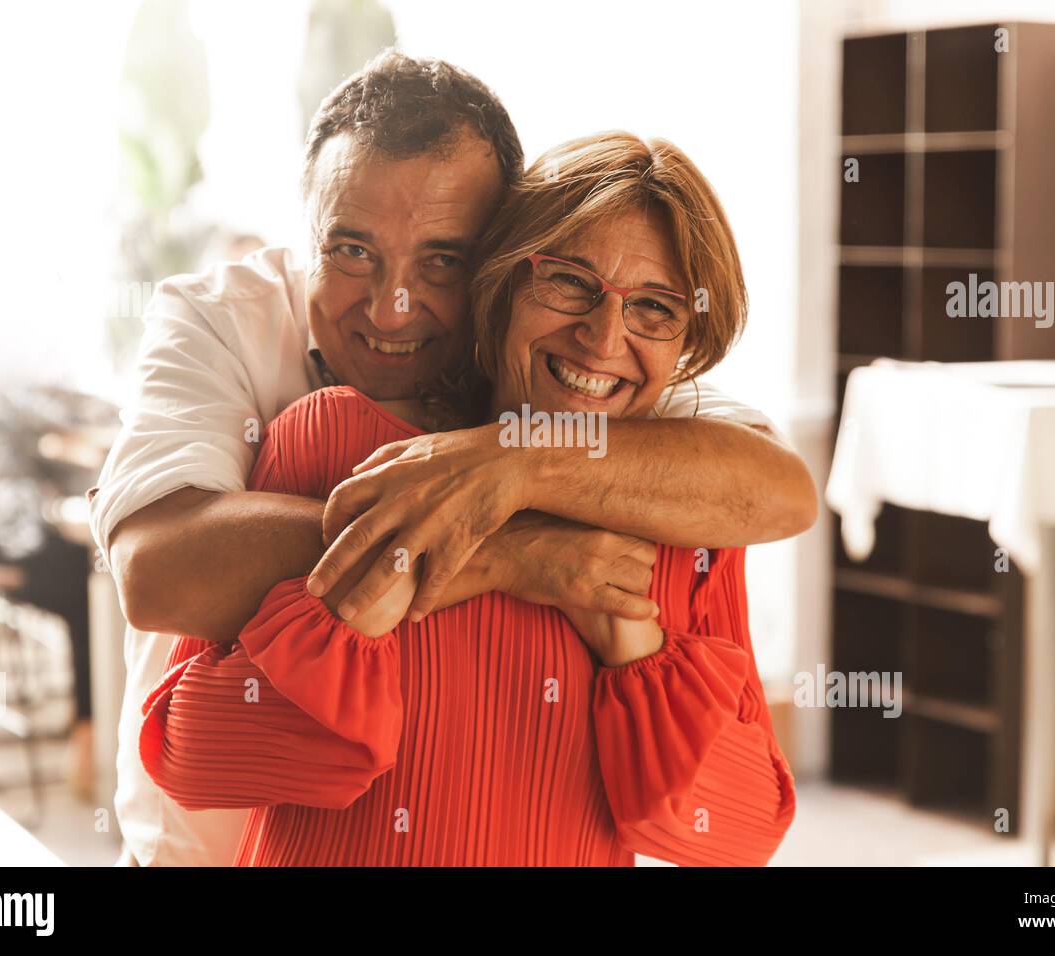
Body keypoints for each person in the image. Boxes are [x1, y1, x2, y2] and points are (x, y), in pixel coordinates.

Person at [89, 51, 815, 866]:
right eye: (353, 251)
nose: (393, 306)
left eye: (442, 260)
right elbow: (156, 581)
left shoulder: (632, 434)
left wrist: (518, 464)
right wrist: (501, 548)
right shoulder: (264, 374)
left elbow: (778, 489)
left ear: (497, 260)